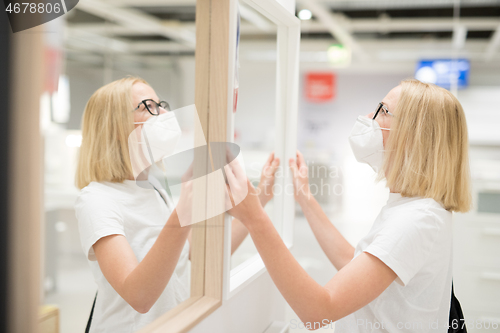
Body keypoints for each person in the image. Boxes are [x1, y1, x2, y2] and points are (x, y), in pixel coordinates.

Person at [226, 79, 471, 332]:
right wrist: (305, 197)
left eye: (383, 110)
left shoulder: (416, 220)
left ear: (413, 136)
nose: (368, 117)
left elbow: (318, 311)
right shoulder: (411, 207)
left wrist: (254, 217)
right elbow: (354, 264)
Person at [74, 76, 279, 332]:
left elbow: (195, 254)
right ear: (113, 126)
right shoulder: (97, 200)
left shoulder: (154, 187)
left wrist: (260, 198)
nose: (162, 113)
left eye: (162, 104)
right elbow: (139, 296)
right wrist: (182, 212)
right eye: (147, 106)